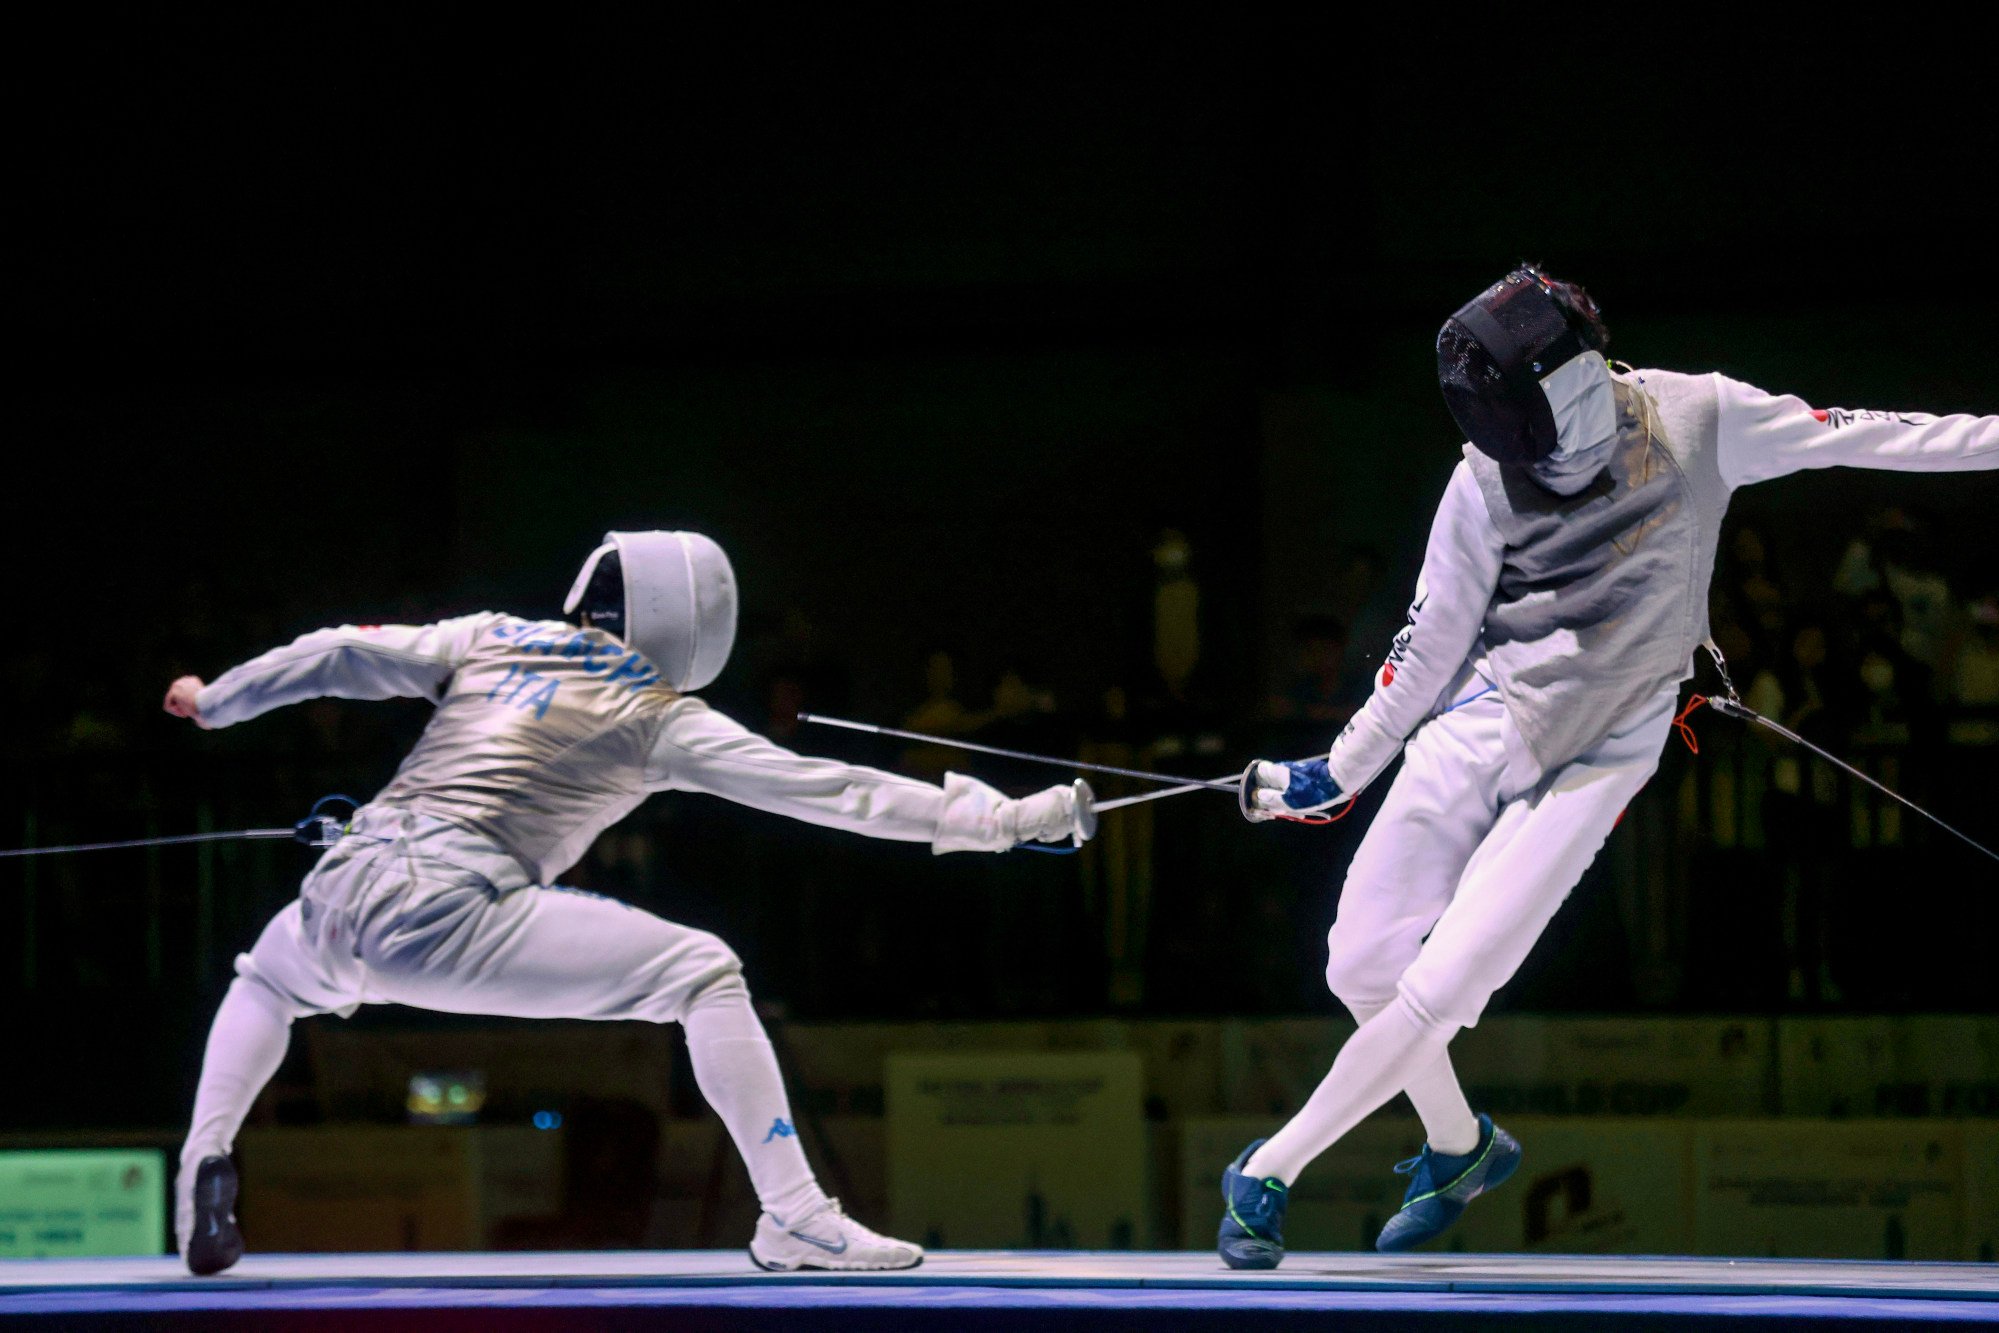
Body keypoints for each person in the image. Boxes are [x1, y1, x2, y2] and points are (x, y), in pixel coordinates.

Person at [1220, 268, 1997, 1267]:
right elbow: (1428, 647)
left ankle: (1268, 1170)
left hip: (1603, 749)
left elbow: (1882, 436)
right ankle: (1458, 1146)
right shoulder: (1482, 478)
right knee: (1359, 961)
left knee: (1448, 979)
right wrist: (1339, 769)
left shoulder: (1699, 420)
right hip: (1487, 713)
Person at [163, 530, 1092, 1276]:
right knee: (704, 972)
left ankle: (204, 1153)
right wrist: (1000, 821)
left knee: (267, 980)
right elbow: (831, 790)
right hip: (449, 907)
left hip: (342, 877)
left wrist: (216, 699)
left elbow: (339, 650)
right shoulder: (656, 713)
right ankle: (796, 1217)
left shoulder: (494, 634)